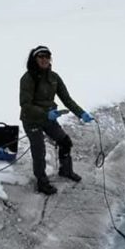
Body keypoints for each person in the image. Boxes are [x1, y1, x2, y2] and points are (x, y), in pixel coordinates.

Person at [19, 45, 94, 195]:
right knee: (39, 150)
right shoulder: (28, 78)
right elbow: (25, 105)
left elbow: (67, 99)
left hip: (49, 117)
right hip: (32, 119)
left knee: (65, 142)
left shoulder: (54, 77)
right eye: (41, 57)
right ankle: (42, 182)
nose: (44, 60)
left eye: (47, 56)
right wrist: (45, 114)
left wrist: (81, 113)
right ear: (34, 59)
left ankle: (65, 171)